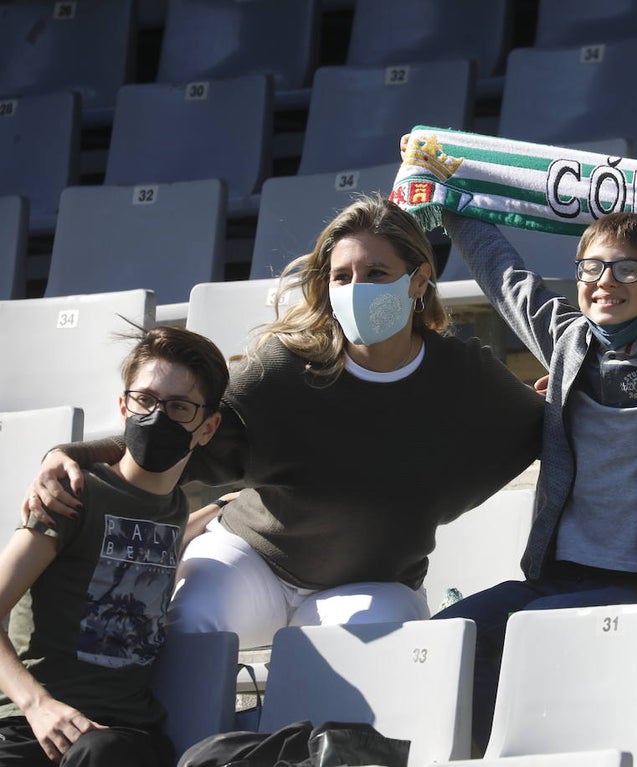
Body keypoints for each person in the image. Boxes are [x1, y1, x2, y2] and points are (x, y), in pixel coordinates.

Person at [24, 195, 543, 650]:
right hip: (254, 560)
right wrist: (72, 454)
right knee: (193, 621)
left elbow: (541, 427)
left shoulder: (464, 372)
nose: (356, 289)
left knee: (383, 647)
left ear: (419, 281)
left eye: (376, 274)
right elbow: (179, 432)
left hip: (373, 584)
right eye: (342, 277)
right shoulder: (286, 367)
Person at [432, 207, 637, 749]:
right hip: (557, 574)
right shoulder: (565, 341)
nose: (605, 281)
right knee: (451, 635)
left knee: (533, 631)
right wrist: (449, 199)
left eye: (628, 270)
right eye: (592, 268)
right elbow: (506, 278)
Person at [0, 326, 227, 767]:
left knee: (103, 753)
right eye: (145, 400)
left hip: (120, 738)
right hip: (31, 728)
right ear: (124, 406)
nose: (157, 417)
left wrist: (220, 508)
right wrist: (37, 705)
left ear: (208, 427)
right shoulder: (71, 494)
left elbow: (145, 542)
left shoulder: (177, 509)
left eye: (178, 407)